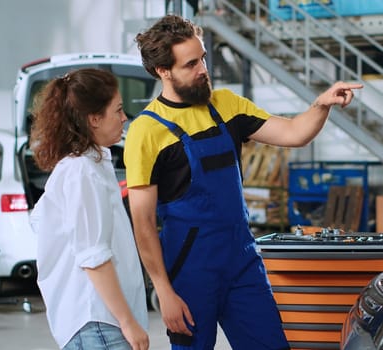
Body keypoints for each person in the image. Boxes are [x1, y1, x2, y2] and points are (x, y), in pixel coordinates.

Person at [124, 14, 363, 350]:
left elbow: (294, 133)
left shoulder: (226, 106)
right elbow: (144, 223)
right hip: (190, 271)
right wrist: (163, 291)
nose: (203, 69)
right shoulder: (146, 132)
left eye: (203, 58)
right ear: (163, 70)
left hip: (241, 261)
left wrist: (321, 104)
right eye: (190, 64)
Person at [29, 68, 150, 350]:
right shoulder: (81, 171)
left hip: (101, 322)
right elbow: (92, 256)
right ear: (94, 119)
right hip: (99, 322)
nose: (124, 118)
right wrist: (128, 322)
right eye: (118, 110)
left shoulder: (88, 165)